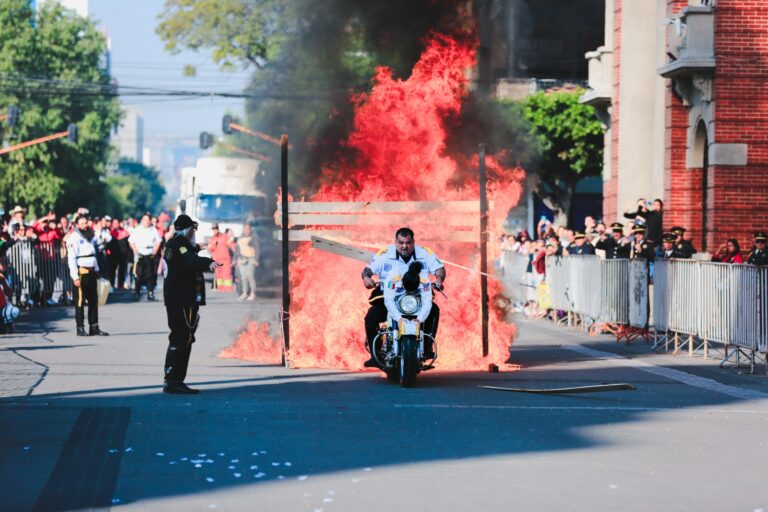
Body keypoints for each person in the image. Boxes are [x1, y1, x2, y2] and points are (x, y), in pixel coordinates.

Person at [361, 227, 445, 367]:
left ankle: (427, 347)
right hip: (390, 295)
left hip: (416, 298)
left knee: (434, 311)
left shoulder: (424, 253)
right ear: (395, 242)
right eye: (401, 242)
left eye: (408, 243)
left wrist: (439, 280)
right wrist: (366, 278)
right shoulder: (385, 253)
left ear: (413, 242)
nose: (404, 246)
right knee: (371, 316)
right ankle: (375, 355)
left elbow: (439, 269)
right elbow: (368, 269)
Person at [162, 214, 221, 394]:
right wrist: (208, 262)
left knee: (179, 337)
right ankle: (175, 380)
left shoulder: (176, 244)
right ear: (187, 230)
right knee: (183, 337)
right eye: (192, 230)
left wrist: (195, 248)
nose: (193, 233)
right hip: (182, 300)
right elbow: (188, 261)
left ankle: (171, 378)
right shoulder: (179, 246)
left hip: (177, 299)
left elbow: (186, 255)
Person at [66, 215, 108, 337]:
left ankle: (94, 327)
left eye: (86, 223)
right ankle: (80, 328)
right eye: (83, 223)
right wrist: (75, 277)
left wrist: (97, 270)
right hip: (81, 272)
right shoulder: (73, 238)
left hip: (91, 272)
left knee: (93, 300)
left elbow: (92, 254)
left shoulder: (90, 236)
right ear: (77, 225)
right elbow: (71, 259)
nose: (85, 225)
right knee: (80, 301)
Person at [382, 261, 434, 357]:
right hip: (396, 299)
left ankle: (427, 347)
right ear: (402, 281)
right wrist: (399, 318)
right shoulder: (393, 277)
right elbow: (389, 300)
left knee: (435, 311)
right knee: (373, 314)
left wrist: (419, 319)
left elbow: (427, 301)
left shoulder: (424, 280)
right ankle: (376, 351)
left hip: (414, 303)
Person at [129, 213, 162, 301]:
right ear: (141, 221)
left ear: (150, 221)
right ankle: (137, 293)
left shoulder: (153, 230)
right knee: (138, 275)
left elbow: (159, 241)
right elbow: (131, 241)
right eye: (144, 220)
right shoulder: (137, 230)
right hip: (140, 254)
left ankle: (150, 293)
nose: (146, 222)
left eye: (147, 220)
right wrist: (135, 250)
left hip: (149, 254)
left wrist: (155, 251)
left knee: (150, 275)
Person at [207, 224, 235, 291]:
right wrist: (214, 243)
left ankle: (228, 288)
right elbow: (210, 249)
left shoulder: (224, 236)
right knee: (218, 275)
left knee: (226, 274)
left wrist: (237, 252)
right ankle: (221, 288)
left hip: (225, 259)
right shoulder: (212, 239)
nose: (214, 230)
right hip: (217, 260)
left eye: (215, 228)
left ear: (217, 228)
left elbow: (231, 244)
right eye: (213, 229)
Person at [236, 224, 260, 301]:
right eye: (245, 229)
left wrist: (256, 259)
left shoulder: (254, 237)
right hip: (242, 259)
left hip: (251, 259)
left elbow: (257, 249)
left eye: (248, 229)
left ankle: (253, 293)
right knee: (243, 278)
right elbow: (237, 249)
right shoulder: (240, 237)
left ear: (250, 229)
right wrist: (236, 259)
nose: (247, 230)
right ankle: (245, 293)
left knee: (250, 277)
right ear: (243, 229)